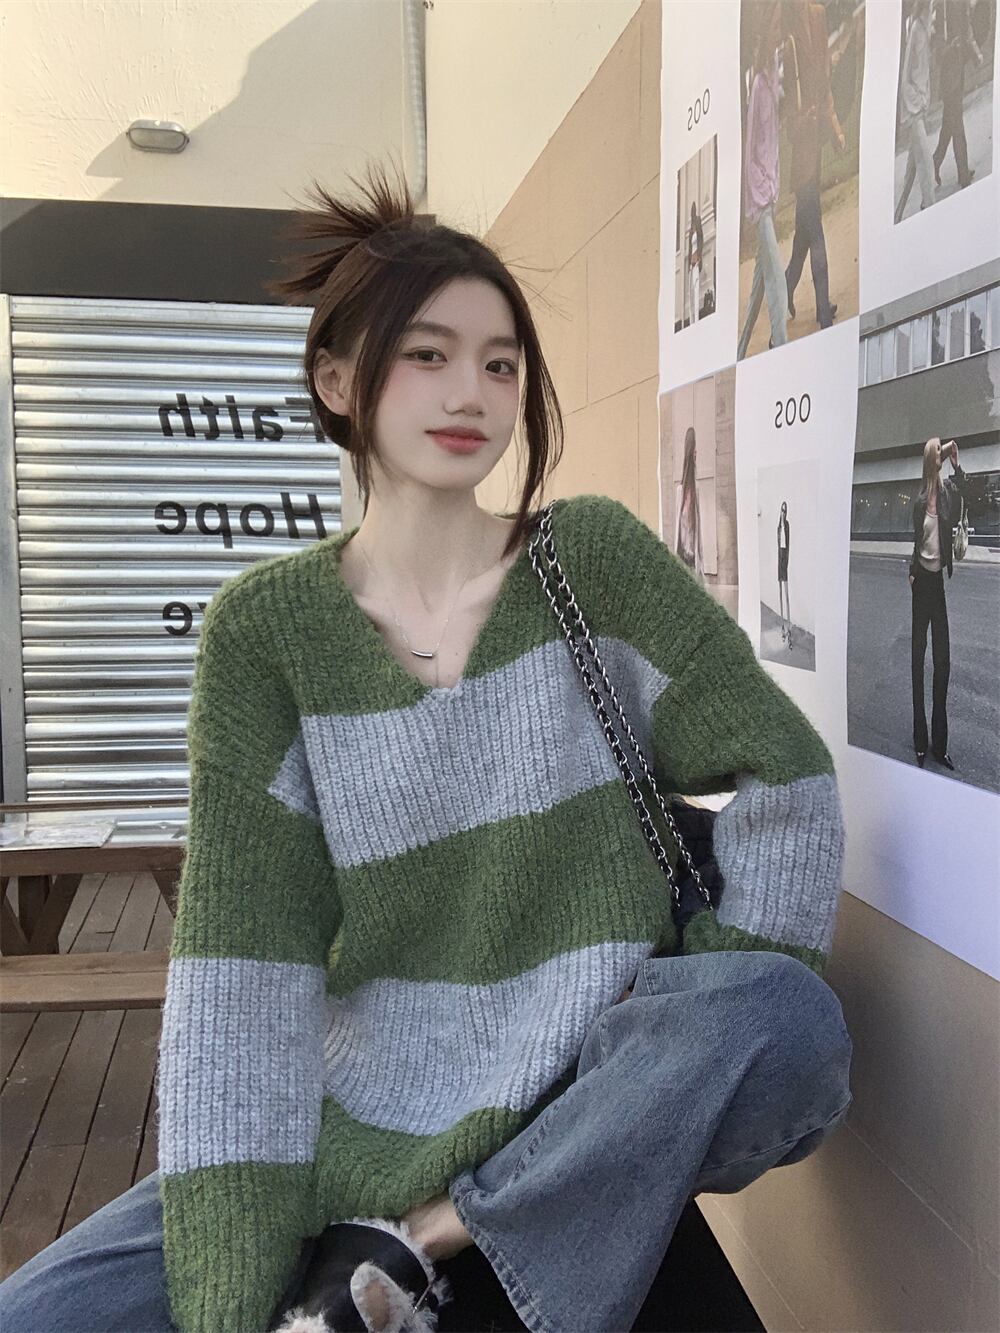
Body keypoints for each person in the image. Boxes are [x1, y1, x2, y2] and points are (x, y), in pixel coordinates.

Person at [0, 159, 853, 1333]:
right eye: (428, 355)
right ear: (337, 381)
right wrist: (228, 1304)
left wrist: (664, 1035)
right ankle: (392, 1251)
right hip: (357, 1125)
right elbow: (242, 979)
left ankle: (436, 1233)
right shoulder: (267, 635)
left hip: (583, 1103)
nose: (472, 393)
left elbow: (786, 776)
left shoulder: (589, 563)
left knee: (778, 1005)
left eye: (500, 363)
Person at [782, 0, 846, 330]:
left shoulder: (817, 17)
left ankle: (784, 290)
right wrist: (804, 120)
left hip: (814, 145)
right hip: (803, 153)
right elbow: (788, 115)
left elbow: (825, 83)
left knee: (804, 234)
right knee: (814, 229)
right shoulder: (789, 43)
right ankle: (822, 310)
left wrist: (834, 127)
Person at [909, 436, 967, 771]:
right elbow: (916, 541)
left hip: (937, 586)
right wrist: (911, 570)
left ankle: (939, 745)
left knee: (942, 662)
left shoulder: (946, 494)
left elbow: (966, 495)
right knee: (917, 662)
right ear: (931, 460)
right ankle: (920, 742)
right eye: (938, 454)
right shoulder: (920, 500)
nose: (940, 458)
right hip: (921, 586)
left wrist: (956, 462)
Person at [738, 0, 789, 360]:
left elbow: (773, 142)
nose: (779, 31)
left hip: (770, 191)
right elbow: (751, 149)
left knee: (760, 278)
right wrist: (759, 194)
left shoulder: (773, 77)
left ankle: (739, 350)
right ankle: (781, 346)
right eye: (775, 26)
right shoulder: (758, 85)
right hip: (760, 198)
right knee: (775, 278)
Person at [931, 0, 983, 191]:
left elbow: (965, 29)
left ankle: (935, 162)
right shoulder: (945, 4)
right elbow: (944, 36)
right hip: (950, 68)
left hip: (955, 65)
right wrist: (975, 54)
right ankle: (962, 174)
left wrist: (974, 54)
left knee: (950, 121)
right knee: (956, 122)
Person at [896, 0, 937, 220]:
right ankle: (931, 210)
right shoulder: (915, 30)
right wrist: (917, 102)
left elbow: (924, 72)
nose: (933, 10)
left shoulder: (924, 29)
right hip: (914, 111)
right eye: (931, 5)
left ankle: (896, 217)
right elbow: (905, 78)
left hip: (920, 107)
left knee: (910, 172)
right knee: (926, 166)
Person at [674, 425, 705, 583]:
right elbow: (678, 533)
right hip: (684, 563)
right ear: (692, 452)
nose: (697, 453)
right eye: (695, 449)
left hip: (693, 564)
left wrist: (701, 567)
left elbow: (699, 533)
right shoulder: (681, 491)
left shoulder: (696, 489)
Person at [777, 500, 793, 649]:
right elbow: (778, 547)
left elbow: (787, 546)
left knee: (786, 595)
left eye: (785, 510)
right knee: (780, 593)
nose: (783, 513)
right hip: (779, 560)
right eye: (782, 510)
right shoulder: (778, 527)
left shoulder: (787, 526)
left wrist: (785, 563)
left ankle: (789, 630)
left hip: (784, 561)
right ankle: (783, 626)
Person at [687, 200, 704, 326]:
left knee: (697, 288)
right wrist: (689, 263)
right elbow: (689, 248)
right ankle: (692, 319)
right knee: (691, 291)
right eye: (691, 211)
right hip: (691, 263)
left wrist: (699, 256)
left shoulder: (698, 222)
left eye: (694, 210)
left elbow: (701, 240)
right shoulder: (690, 229)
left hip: (697, 261)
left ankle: (697, 318)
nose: (693, 213)